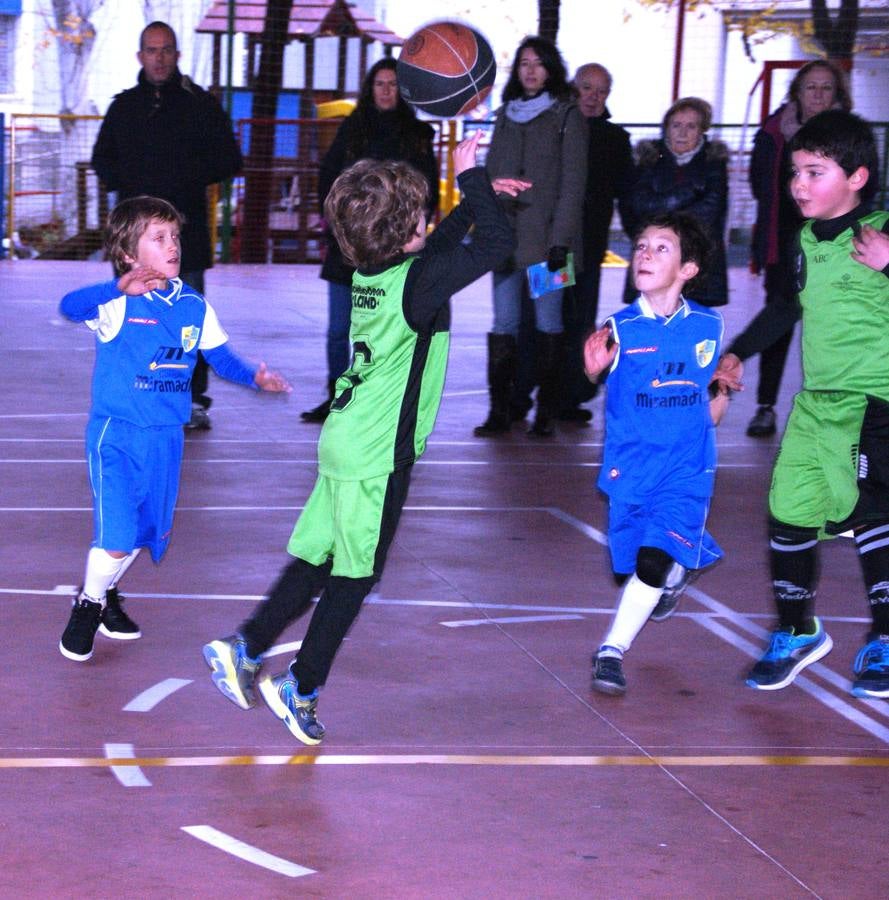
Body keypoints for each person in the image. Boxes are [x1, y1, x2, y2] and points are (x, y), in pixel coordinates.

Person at [202, 134, 529, 744]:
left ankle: (245, 646)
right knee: (357, 575)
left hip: (343, 441)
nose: (429, 223)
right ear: (407, 232)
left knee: (320, 559)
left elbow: (437, 248)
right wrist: (474, 180)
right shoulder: (417, 282)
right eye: (421, 217)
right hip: (378, 454)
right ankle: (300, 684)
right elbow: (496, 244)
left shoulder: (374, 271)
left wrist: (475, 199)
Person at [58, 196, 290, 662]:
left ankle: (106, 596)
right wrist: (115, 289)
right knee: (118, 535)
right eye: (158, 238)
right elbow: (68, 305)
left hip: (165, 438)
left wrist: (254, 377)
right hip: (117, 436)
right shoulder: (118, 303)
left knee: (145, 534)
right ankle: (87, 605)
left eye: (175, 237)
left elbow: (218, 356)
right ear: (129, 254)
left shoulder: (193, 305)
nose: (172, 246)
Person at [736, 111, 889, 698]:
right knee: (788, 509)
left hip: (875, 402)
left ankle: (884, 639)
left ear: (856, 177)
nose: (798, 183)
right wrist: (736, 354)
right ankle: (798, 631)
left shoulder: (879, 231)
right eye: (795, 171)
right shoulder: (803, 242)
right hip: (816, 403)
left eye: (814, 172)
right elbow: (782, 309)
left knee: (874, 512)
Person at [583, 212, 743, 696]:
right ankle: (684, 562)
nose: (646, 254)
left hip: (688, 467)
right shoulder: (620, 328)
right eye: (641, 246)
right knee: (632, 566)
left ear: (688, 270)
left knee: (651, 563)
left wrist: (725, 391)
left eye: (661, 248)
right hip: (631, 468)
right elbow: (592, 380)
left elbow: (708, 412)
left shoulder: (708, 326)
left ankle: (611, 652)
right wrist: (589, 373)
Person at [91, 20, 243, 431]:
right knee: (133, 317)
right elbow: (101, 160)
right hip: (132, 243)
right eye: (151, 50)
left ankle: (192, 400)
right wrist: (130, 183)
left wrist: (185, 177)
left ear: (176, 55)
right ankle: (135, 395)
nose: (159, 58)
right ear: (140, 56)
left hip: (185, 237)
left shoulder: (200, 105)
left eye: (166, 50)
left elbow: (231, 159)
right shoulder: (123, 108)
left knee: (184, 320)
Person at [300, 57, 439, 424]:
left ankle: (381, 399)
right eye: (380, 83)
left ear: (402, 90)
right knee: (338, 328)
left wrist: (408, 236)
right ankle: (336, 394)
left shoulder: (417, 136)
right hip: (348, 249)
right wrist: (338, 225)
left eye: (393, 84)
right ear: (370, 88)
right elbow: (328, 179)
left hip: (394, 256)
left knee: (386, 330)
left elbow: (428, 193)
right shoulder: (352, 129)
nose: (386, 90)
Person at [727, 60, 851, 438]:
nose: (817, 94)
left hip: (835, 243)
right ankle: (765, 406)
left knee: (829, 329)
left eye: (825, 87)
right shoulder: (773, 130)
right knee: (779, 321)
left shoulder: (850, 134)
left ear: (837, 94)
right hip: (783, 242)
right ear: (796, 91)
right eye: (810, 87)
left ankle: (830, 410)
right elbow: (759, 183)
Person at [475, 36, 588, 438]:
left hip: (548, 245)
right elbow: (490, 177)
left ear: (551, 68)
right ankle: (499, 412)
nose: (530, 70)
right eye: (524, 62)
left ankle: (546, 413)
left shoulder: (567, 115)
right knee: (503, 323)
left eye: (538, 63)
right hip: (505, 243)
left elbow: (573, 184)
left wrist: (560, 241)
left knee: (548, 323)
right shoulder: (505, 113)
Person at [559, 62, 632, 423]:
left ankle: (570, 397)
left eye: (601, 91)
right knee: (547, 317)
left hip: (589, 251)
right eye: (586, 88)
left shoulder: (617, 140)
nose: (593, 96)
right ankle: (538, 399)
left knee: (580, 319)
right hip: (553, 247)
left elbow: (629, 197)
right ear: (574, 89)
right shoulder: (554, 130)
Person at [619, 97, 728, 309]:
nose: (682, 132)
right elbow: (640, 204)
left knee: (693, 330)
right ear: (666, 128)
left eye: (691, 126)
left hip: (697, 261)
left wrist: (661, 216)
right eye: (676, 125)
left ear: (702, 130)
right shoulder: (649, 157)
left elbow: (710, 210)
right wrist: (689, 193)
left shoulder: (714, 162)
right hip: (654, 261)